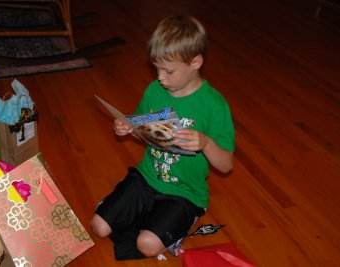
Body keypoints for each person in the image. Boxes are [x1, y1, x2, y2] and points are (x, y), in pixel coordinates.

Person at [90, 15, 235, 260]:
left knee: (147, 245)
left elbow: (226, 165)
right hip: (147, 177)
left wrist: (207, 143)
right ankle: (139, 213)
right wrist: (130, 130)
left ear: (196, 62)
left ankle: (181, 219)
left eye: (168, 71)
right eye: (156, 68)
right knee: (99, 227)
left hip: (185, 193)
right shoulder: (155, 91)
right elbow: (144, 135)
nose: (160, 77)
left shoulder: (214, 105)